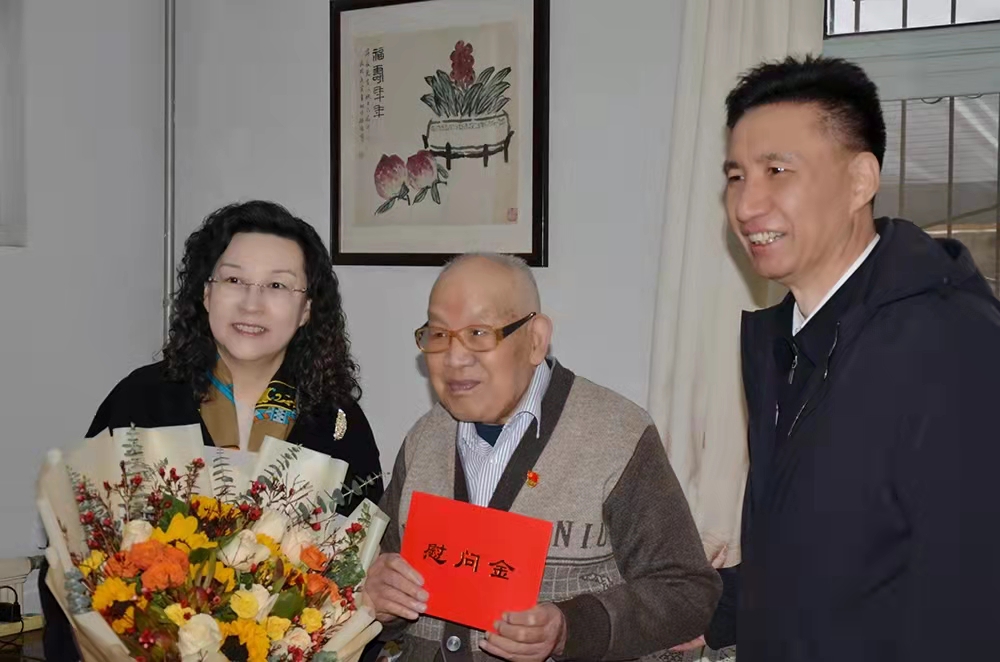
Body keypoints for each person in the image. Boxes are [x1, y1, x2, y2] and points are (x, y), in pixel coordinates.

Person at [684, 55, 1000, 660]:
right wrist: (711, 610)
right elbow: (833, 550)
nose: (747, 205)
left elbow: (969, 598)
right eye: (736, 176)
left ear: (860, 181)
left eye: (777, 170)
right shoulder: (790, 339)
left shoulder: (949, 345)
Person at [40, 200, 383, 661]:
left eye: (277, 285)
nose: (252, 303)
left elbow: (357, 581)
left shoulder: (337, 423)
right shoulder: (140, 400)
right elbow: (74, 553)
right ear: (205, 294)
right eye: (234, 280)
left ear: (306, 309)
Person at [365, 253, 721, 662]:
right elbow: (375, 572)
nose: (454, 358)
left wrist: (570, 628)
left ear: (535, 340)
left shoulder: (616, 437)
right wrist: (377, 597)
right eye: (439, 334)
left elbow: (687, 592)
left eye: (479, 333)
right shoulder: (424, 439)